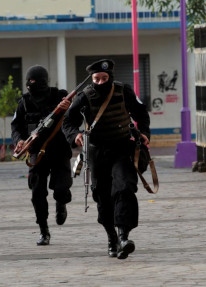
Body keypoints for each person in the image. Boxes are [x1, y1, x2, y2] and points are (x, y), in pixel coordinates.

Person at [62, 59, 151, 259]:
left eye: (104, 78)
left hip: (122, 148)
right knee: (102, 196)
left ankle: (124, 236)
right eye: (97, 79)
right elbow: (68, 121)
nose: (101, 82)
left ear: (110, 77)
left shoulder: (123, 91)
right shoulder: (85, 96)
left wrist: (144, 132)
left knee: (124, 187)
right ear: (92, 79)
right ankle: (112, 237)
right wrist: (74, 135)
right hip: (97, 151)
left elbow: (141, 113)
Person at [11, 65, 73, 245]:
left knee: (61, 188)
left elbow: (74, 116)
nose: (31, 84)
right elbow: (16, 127)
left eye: (34, 81)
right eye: (28, 81)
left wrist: (67, 107)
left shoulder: (60, 96)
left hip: (59, 150)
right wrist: (20, 141)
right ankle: (43, 230)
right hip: (36, 153)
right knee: (37, 193)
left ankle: (61, 204)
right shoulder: (24, 102)